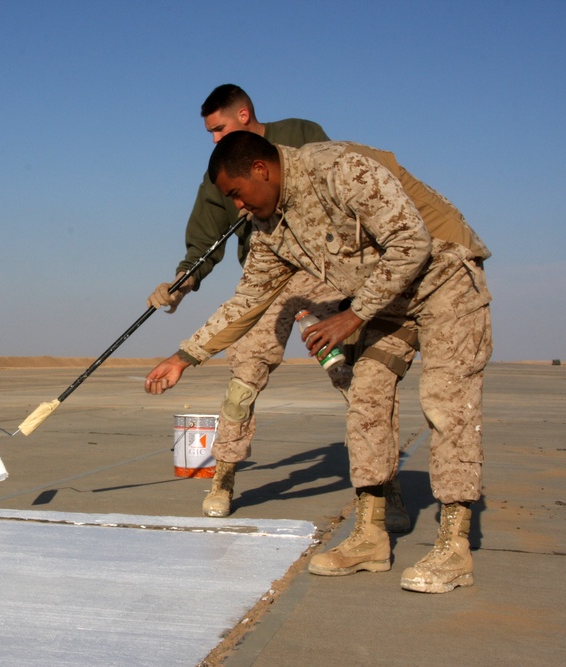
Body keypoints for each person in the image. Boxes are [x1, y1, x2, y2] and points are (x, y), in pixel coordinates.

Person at [146, 131, 492, 594]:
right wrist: (184, 356)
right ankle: (371, 536)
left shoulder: (335, 169)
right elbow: (246, 302)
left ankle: (454, 548)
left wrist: (354, 314)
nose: (240, 208)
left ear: (261, 171)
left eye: (237, 194)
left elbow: (412, 241)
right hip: (389, 300)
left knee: (446, 403)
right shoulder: (272, 233)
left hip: (445, 277)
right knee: (366, 397)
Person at [148, 84, 410, 531]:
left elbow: (336, 192)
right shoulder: (222, 174)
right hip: (266, 275)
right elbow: (205, 240)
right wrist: (183, 281)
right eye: (210, 132)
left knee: (352, 377)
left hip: (320, 271)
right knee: (245, 374)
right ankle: (224, 478)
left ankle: (384, 489)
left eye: (219, 128)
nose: (213, 140)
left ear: (245, 115)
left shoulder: (301, 134)